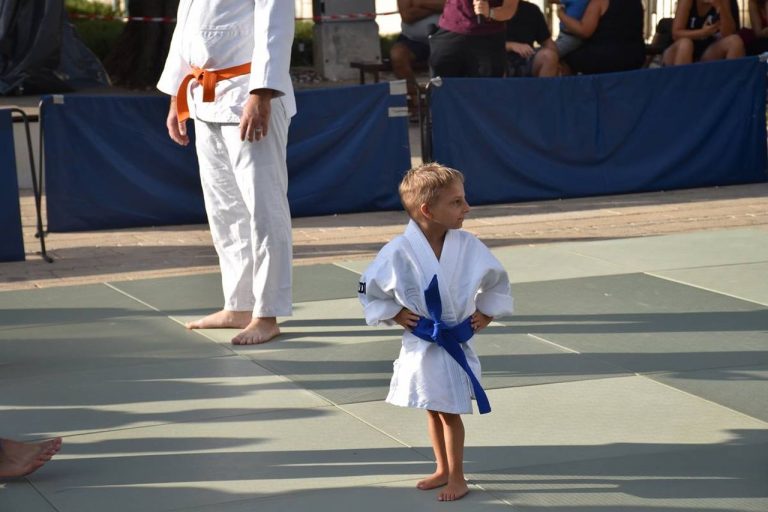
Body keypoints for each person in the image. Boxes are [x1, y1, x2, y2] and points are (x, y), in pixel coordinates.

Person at [358, 163, 513, 502]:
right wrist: (395, 312)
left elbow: (496, 279)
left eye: (464, 200)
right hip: (423, 340)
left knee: (451, 411)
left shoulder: (467, 245)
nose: (467, 208)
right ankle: (443, 468)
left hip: (453, 339)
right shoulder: (399, 250)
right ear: (428, 210)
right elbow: (367, 286)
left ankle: (458, 476)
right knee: (433, 406)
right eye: (457, 202)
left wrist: (487, 311)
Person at [157, 1, 295, 345]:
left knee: (264, 209)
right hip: (204, 96)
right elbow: (185, 29)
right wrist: (178, 95)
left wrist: (262, 93)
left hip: (249, 94)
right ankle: (239, 305)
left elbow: (275, 27)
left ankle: (267, 314)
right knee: (224, 209)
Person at [430, 0, 520, 78]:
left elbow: (509, 9)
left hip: (488, 38)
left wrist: (490, 12)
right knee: (442, 88)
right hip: (450, 33)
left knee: (486, 91)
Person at [558, 0, 646, 74]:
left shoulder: (599, 1)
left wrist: (561, 15)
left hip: (605, 57)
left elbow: (584, 31)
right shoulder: (637, 2)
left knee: (563, 58)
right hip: (635, 56)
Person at [391, 1, 445, 118]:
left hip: (444, 36)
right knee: (398, 56)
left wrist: (420, 3)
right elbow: (407, 16)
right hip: (413, 40)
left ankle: (442, 102)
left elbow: (451, 5)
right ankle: (417, 101)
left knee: (450, 60)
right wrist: (437, 6)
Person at [663, 0, 745, 65]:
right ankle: (682, 84)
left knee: (735, 42)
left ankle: (730, 84)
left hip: (706, 51)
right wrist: (702, 33)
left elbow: (729, 33)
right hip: (679, 52)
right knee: (686, 44)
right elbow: (676, 34)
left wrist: (720, 7)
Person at [505, 0, 559, 77]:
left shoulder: (531, 10)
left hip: (526, 59)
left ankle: (543, 89)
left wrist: (556, 60)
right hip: (499, 59)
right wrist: (511, 46)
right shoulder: (488, 10)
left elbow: (548, 42)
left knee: (549, 56)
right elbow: (483, 46)